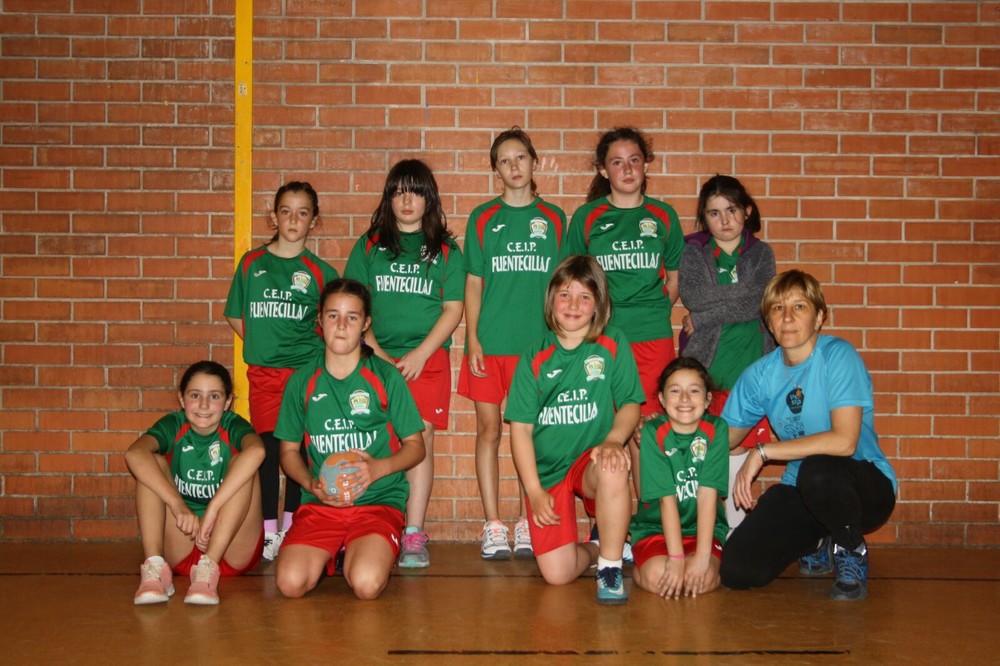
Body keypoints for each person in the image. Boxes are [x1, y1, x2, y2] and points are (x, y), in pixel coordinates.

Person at [719, 270, 897, 601]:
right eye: (778, 308)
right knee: (737, 570)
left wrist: (762, 452)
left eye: (799, 307)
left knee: (818, 469)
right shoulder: (760, 375)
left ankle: (850, 549)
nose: (787, 317)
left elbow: (844, 442)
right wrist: (668, 431)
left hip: (864, 487)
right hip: (803, 488)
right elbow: (723, 438)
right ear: (769, 323)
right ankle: (816, 538)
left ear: (819, 318)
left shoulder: (838, 356)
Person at [344, 159, 464, 569]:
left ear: (429, 198)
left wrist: (420, 354)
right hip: (374, 356)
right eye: (398, 192)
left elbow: (453, 309)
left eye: (415, 192)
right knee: (373, 436)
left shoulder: (446, 249)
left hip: (426, 360)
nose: (406, 200)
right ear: (388, 198)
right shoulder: (370, 244)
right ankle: (363, 526)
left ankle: (413, 533)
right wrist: (376, 350)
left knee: (420, 438)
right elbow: (352, 303)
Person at [273, 278, 426, 600]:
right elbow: (287, 452)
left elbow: (416, 447)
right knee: (289, 583)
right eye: (333, 315)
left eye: (352, 317)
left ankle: (362, 551)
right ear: (320, 319)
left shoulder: (385, 376)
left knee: (366, 585)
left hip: (377, 503)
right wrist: (310, 482)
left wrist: (378, 468)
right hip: (322, 505)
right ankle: (336, 550)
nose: (341, 326)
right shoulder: (302, 381)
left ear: (365, 324)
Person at [505, 255, 644, 604]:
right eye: (565, 295)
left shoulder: (612, 342)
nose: (573, 305)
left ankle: (610, 568)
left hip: (590, 461)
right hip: (549, 471)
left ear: (599, 303)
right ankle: (599, 547)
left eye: (584, 297)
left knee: (613, 464)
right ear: (551, 298)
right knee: (558, 574)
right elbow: (520, 431)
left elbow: (630, 403)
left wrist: (613, 440)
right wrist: (534, 491)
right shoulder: (534, 356)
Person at [460, 127, 566, 561]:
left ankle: (526, 521)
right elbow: (473, 282)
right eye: (504, 161)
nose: (514, 166)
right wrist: (472, 338)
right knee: (488, 431)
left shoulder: (555, 219)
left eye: (520, 157)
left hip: (537, 348)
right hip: (490, 344)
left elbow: (564, 285)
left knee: (532, 433)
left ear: (534, 161)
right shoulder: (483, 218)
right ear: (496, 170)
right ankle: (492, 523)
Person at [564, 127, 684, 494]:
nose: (627, 169)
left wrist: (650, 313)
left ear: (646, 165)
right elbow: (573, 282)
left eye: (634, 160)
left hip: (652, 337)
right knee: (606, 427)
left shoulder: (663, 216)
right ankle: (605, 515)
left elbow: (674, 281)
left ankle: (649, 513)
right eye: (617, 162)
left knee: (649, 430)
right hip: (603, 339)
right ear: (603, 170)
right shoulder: (587, 217)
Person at [224, 181, 339, 560]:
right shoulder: (252, 264)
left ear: (313, 221)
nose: (293, 220)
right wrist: (264, 344)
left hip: (303, 375)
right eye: (286, 212)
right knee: (268, 451)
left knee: (299, 451)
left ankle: (291, 526)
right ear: (273, 217)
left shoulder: (320, 272)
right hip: (264, 377)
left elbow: (330, 325)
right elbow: (236, 316)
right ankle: (268, 531)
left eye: (302, 213)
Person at [678, 174, 776, 529]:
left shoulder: (761, 253)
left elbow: (761, 300)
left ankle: (733, 531)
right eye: (714, 213)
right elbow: (694, 296)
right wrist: (742, 294)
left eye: (731, 210)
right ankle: (703, 529)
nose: (724, 220)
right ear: (704, 218)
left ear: (747, 211)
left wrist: (704, 317)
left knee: (739, 448)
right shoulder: (694, 253)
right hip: (708, 367)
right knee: (705, 447)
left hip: (751, 366)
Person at [126, 360, 265, 605]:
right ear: (182, 399)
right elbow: (134, 454)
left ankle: (208, 568)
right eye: (195, 395)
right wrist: (178, 505)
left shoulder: (233, 425)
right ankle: (156, 568)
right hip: (183, 541)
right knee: (150, 463)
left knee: (244, 464)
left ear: (228, 402)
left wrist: (213, 510)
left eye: (214, 396)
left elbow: (258, 451)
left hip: (232, 549)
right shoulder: (174, 424)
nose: (203, 405)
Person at [630, 357, 728, 599]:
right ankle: (641, 565)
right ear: (662, 399)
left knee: (703, 580)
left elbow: (707, 495)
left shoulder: (717, 429)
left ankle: (702, 560)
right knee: (658, 578)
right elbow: (667, 500)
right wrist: (675, 559)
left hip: (702, 530)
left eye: (694, 391)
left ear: (707, 399)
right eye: (675, 391)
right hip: (656, 529)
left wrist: (702, 557)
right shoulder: (653, 431)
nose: (684, 399)